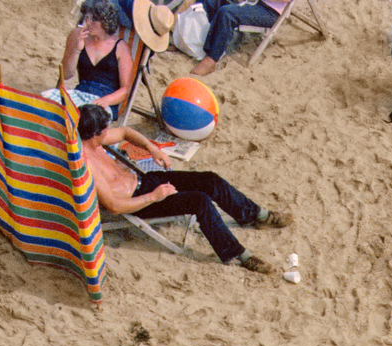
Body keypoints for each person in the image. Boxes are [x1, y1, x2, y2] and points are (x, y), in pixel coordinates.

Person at [77, 103, 287, 273]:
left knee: (210, 180)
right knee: (200, 202)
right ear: (93, 134)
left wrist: (153, 149)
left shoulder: (92, 141)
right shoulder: (87, 167)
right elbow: (113, 206)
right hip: (141, 201)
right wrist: (154, 196)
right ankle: (239, 255)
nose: (108, 133)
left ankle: (256, 215)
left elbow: (124, 132)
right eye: (104, 131)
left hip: (146, 180)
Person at [57, 0, 137, 113]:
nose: (88, 22)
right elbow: (65, 74)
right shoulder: (77, 35)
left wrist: (106, 100)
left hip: (104, 102)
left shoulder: (121, 47)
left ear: (106, 21)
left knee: (87, 118)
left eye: (94, 19)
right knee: (52, 105)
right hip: (80, 94)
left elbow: (126, 89)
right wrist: (77, 49)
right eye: (87, 17)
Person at [188, 0, 283, 72]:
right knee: (210, 1)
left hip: (269, 11)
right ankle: (187, 39)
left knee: (227, 13)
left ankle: (211, 59)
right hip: (252, 2)